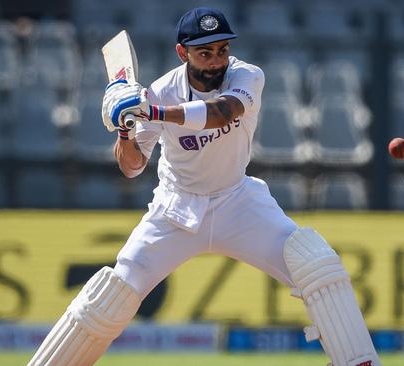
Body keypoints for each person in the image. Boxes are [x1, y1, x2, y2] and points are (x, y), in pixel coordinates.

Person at [28, 7, 380, 366]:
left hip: (239, 203)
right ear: (183, 53)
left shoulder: (246, 76)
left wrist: (154, 113)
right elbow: (132, 167)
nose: (216, 62)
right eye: (205, 53)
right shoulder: (161, 90)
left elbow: (221, 112)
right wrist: (125, 128)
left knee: (317, 266)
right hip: (176, 209)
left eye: (222, 50)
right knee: (112, 294)